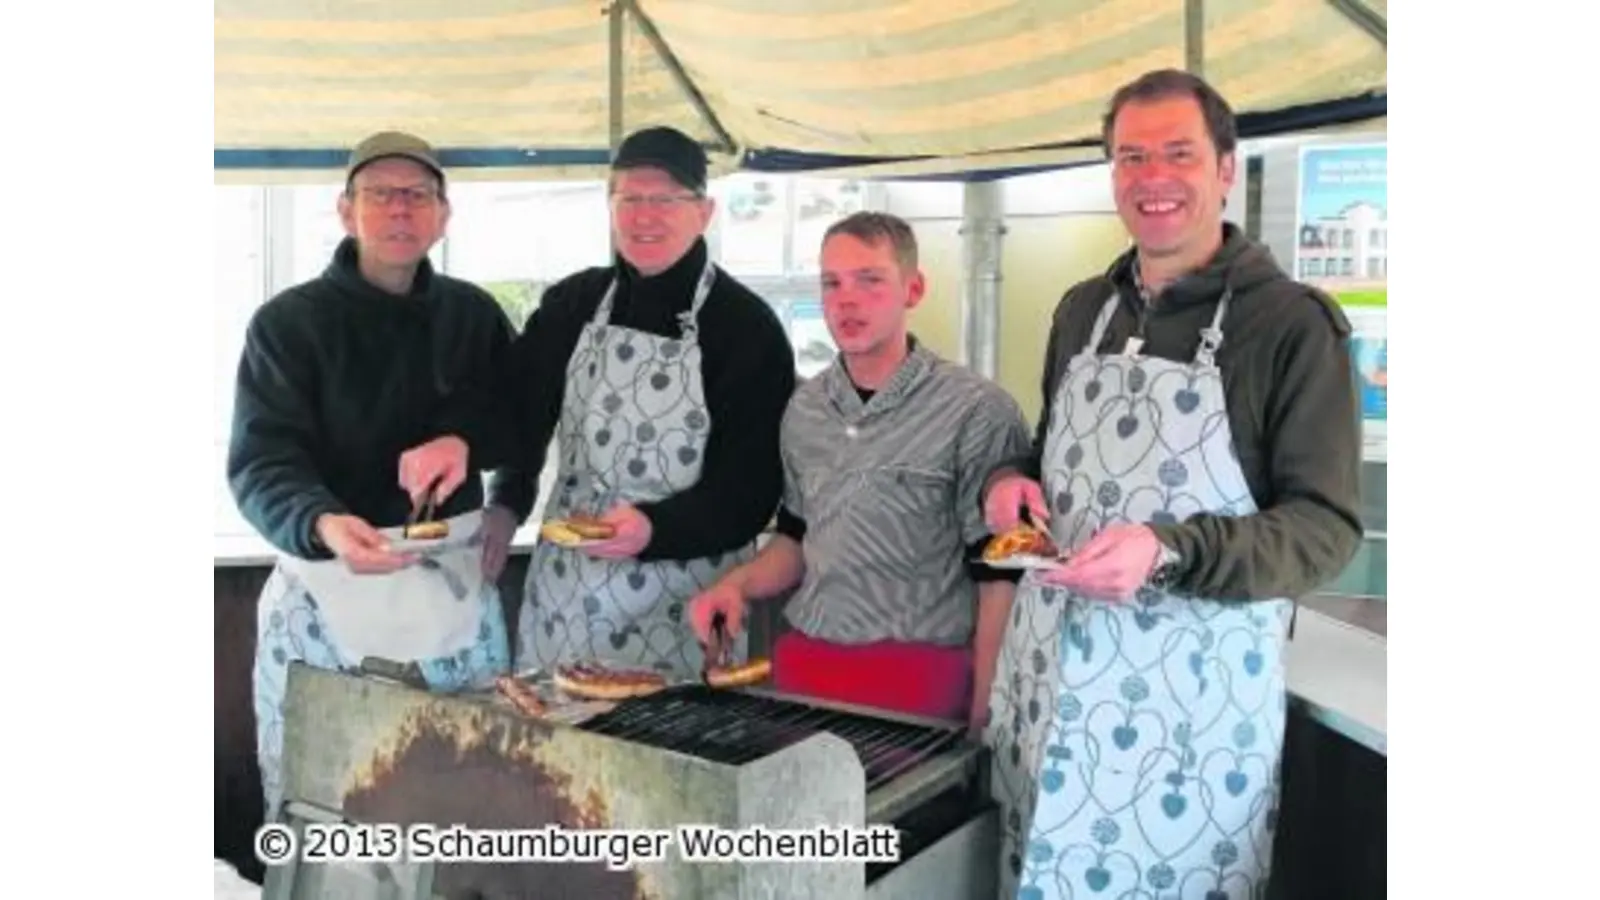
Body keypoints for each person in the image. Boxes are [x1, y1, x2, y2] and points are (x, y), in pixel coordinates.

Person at [981, 70, 1363, 900]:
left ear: (1226, 169)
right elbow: (1051, 458)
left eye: (1178, 154)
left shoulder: (1291, 325)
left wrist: (1169, 549)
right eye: (1130, 156)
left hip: (1190, 742)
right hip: (1046, 708)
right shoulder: (1082, 310)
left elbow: (1326, 528)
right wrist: (1013, 481)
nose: (1151, 178)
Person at [411, 126, 796, 679]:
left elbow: (751, 488)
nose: (645, 216)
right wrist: (461, 440)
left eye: (664, 199)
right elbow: (514, 407)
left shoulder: (744, 328)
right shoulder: (576, 303)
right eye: (630, 199)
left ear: (704, 211)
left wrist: (655, 527)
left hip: (683, 602)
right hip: (566, 598)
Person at [228, 132, 516, 819]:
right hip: (329, 594)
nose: (399, 209)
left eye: (417, 195)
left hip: (456, 597)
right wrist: (321, 522)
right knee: (329, 810)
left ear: (444, 215)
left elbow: (521, 424)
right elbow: (261, 460)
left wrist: (500, 490)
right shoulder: (288, 325)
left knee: (473, 805)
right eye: (379, 193)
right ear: (345, 210)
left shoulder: (474, 316)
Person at [686, 212, 1033, 730]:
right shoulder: (804, 410)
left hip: (922, 684)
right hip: (806, 672)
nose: (847, 299)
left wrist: (986, 717)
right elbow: (798, 539)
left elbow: (998, 578)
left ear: (913, 289)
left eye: (870, 280)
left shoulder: (978, 411)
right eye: (832, 283)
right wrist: (737, 585)